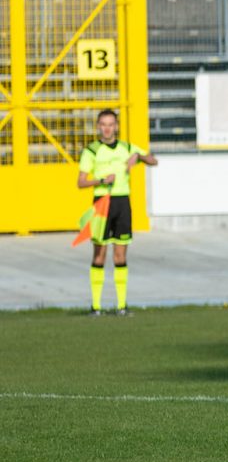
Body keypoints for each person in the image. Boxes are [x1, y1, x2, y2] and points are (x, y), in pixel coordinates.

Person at [76, 109, 156, 315]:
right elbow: (81, 182)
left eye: (111, 124)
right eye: (103, 124)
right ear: (98, 127)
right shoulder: (91, 151)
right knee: (99, 254)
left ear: (116, 126)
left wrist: (138, 156)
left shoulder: (126, 147)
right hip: (102, 202)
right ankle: (96, 306)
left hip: (122, 203)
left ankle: (122, 305)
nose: (107, 128)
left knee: (120, 255)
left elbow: (153, 161)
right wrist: (101, 181)